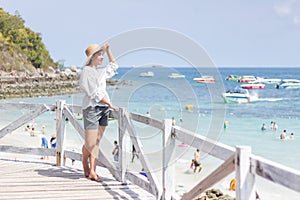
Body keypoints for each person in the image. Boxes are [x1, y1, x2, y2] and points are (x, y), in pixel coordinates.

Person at [79, 42, 118, 182]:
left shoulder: (99, 72)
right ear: (92, 57)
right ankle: (84, 162)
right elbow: (93, 93)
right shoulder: (86, 72)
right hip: (92, 108)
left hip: (104, 109)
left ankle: (93, 171)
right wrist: (110, 104)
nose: (102, 57)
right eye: (100, 54)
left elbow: (114, 65)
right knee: (90, 143)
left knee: (97, 142)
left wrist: (108, 50)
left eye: (102, 54)